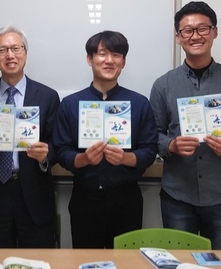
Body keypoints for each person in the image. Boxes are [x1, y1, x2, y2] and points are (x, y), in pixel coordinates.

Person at [149, 1, 221, 250]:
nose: (195, 36)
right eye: (187, 30)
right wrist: (172, 145)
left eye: (202, 29)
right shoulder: (163, 85)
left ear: (215, 32)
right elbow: (152, 134)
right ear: (178, 37)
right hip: (178, 194)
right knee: (179, 268)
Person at [53, 31, 157, 248]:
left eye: (116, 55)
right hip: (85, 198)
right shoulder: (71, 104)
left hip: (126, 198)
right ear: (89, 59)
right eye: (102, 54)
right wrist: (84, 159)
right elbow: (61, 150)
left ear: (123, 62)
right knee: (86, 265)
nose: (109, 60)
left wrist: (125, 158)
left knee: (126, 264)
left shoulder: (139, 103)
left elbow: (149, 149)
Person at [0, 26, 60, 248]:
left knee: (38, 265)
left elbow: (58, 143)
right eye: (2, 50)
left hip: (34, 193)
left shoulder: (47, 96)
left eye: (16, 48)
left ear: (25, 53)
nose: (10, 55)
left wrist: (46, 155)